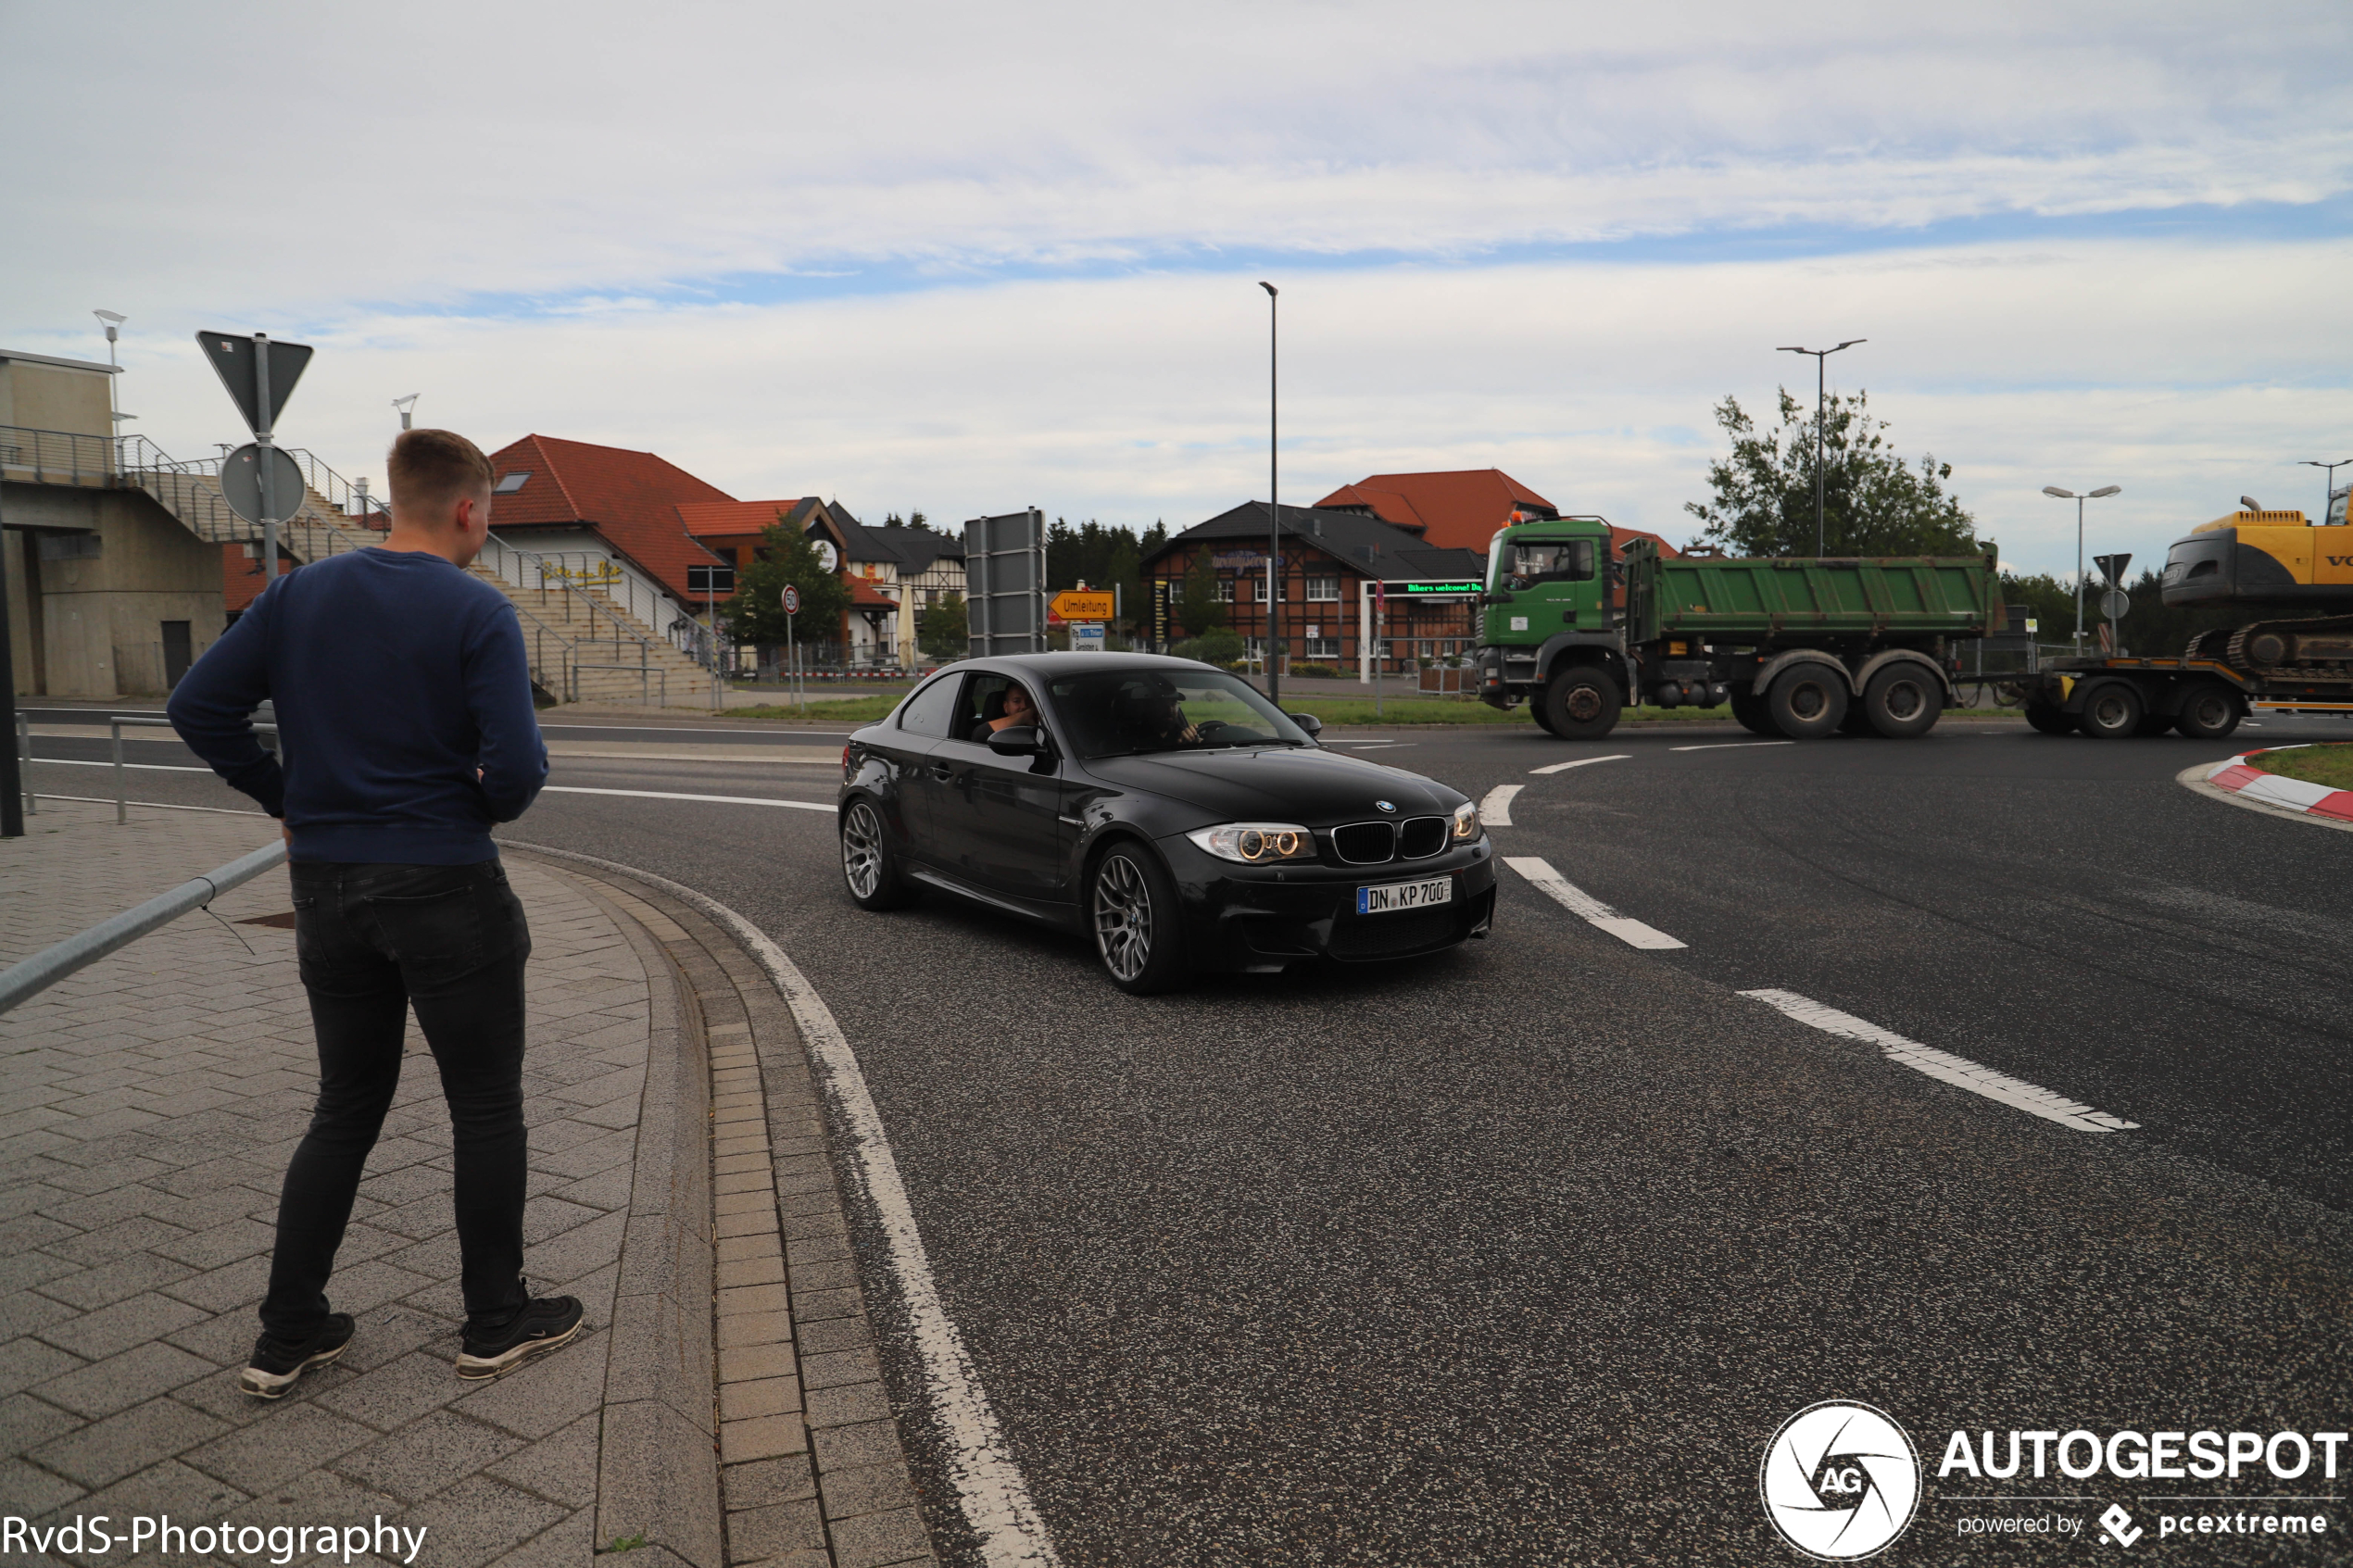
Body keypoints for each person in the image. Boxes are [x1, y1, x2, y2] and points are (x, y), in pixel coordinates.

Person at [169, 428, 576, 1398]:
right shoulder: (477, 610)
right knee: (483, 1102)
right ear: (470, 508)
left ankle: (289, 1330)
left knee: (345, 1105)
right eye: (489, 515)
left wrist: (285, 796)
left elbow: (197, 707)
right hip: (444, 886)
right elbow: (516, 772)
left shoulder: (299, 593)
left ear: (393, 500)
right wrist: (459, 811)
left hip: (328, 889)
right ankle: (493, 1319)